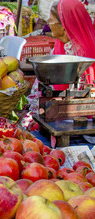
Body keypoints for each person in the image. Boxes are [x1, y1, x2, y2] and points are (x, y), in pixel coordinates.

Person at [21, 0, 95, 129]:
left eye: (51, 21)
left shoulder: (82, 54)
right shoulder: (60, 46)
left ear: (64, 26)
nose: (49, 25)